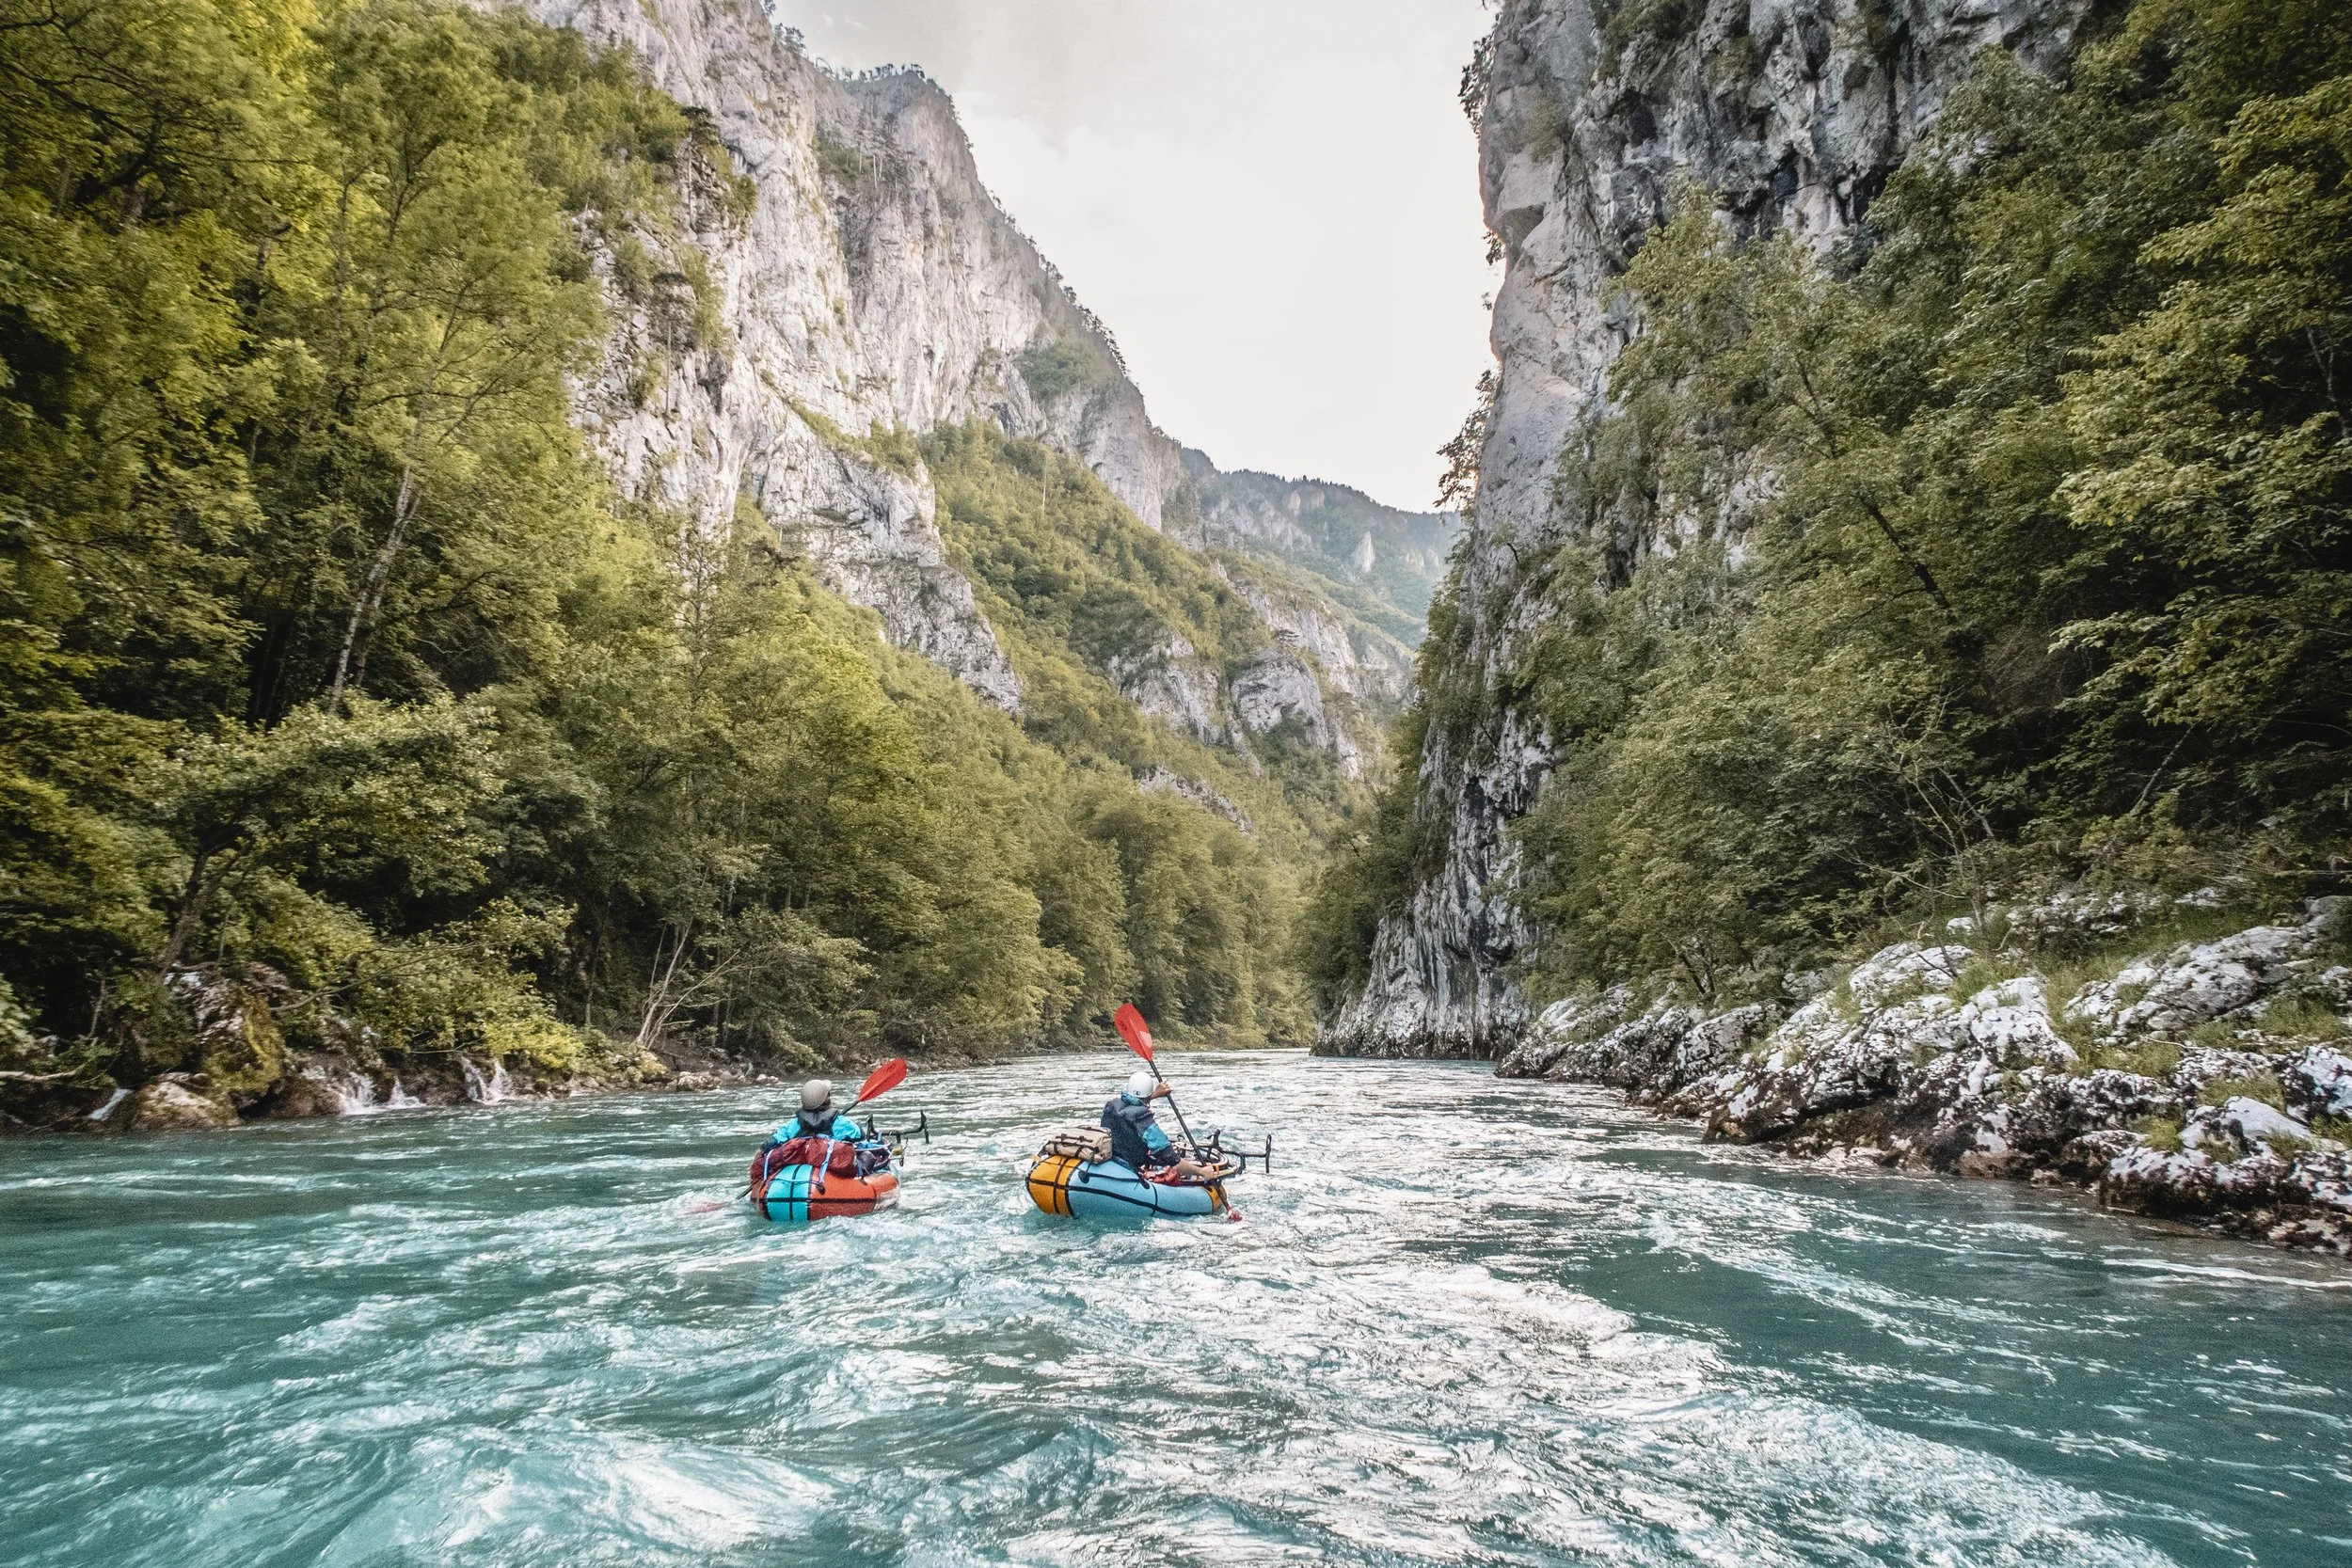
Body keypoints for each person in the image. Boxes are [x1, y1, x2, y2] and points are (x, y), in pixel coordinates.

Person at [1102, 1069, 1212, 1180]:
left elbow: (1130, 1106)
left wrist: (1155, 1094)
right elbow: (1171, 1159)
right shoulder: (1142, 1116)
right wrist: (1202, 1172)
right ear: (1148, 1093)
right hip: (1127, 1166)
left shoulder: (1111, 1105)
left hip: (1110, 1161)